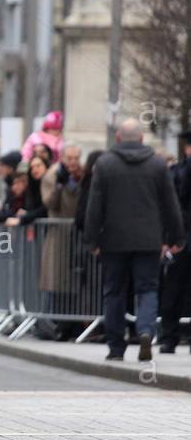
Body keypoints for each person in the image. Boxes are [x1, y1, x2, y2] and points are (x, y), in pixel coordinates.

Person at [83, 119, 185, 362]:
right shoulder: (157, 165)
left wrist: (92, 239)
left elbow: (94, 206)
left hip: (113, 240)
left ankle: (116, 347)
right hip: (149, 239)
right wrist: (176, 236)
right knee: (148, 289)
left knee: (114, 292)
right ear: (141, 138)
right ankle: (146, 331)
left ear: (118, 138)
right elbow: (170, 204)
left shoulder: (105, 164)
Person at [38, 143, 86, 338]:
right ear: (63, 158)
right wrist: (60, 185)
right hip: (59, 234)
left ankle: (74, 325)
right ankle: (58, 325)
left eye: (76, 158)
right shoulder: (52, 175)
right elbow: (49, 202)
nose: (73, 163)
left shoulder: (83, 175)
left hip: (77, 233)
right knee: (57, 281)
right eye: (69, 158)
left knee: (76, 281)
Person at [160, 131, 191, 353]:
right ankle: (169, 337)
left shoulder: (177, 171)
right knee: (174, 288)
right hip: (180, 237)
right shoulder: (177, 172)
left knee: (177, 288)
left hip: (180, 235)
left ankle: (172, 338)